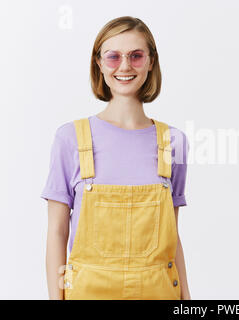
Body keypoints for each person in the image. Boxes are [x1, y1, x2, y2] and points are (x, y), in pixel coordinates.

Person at [41, 16, 191, 300]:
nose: (124, 66)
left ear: (151, 62)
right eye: (113, 57)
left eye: (136, 56)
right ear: (98, 63)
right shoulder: (70, 138)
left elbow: (172, 238)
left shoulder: (175, 142)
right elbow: (57, 232)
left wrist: (187, 299)